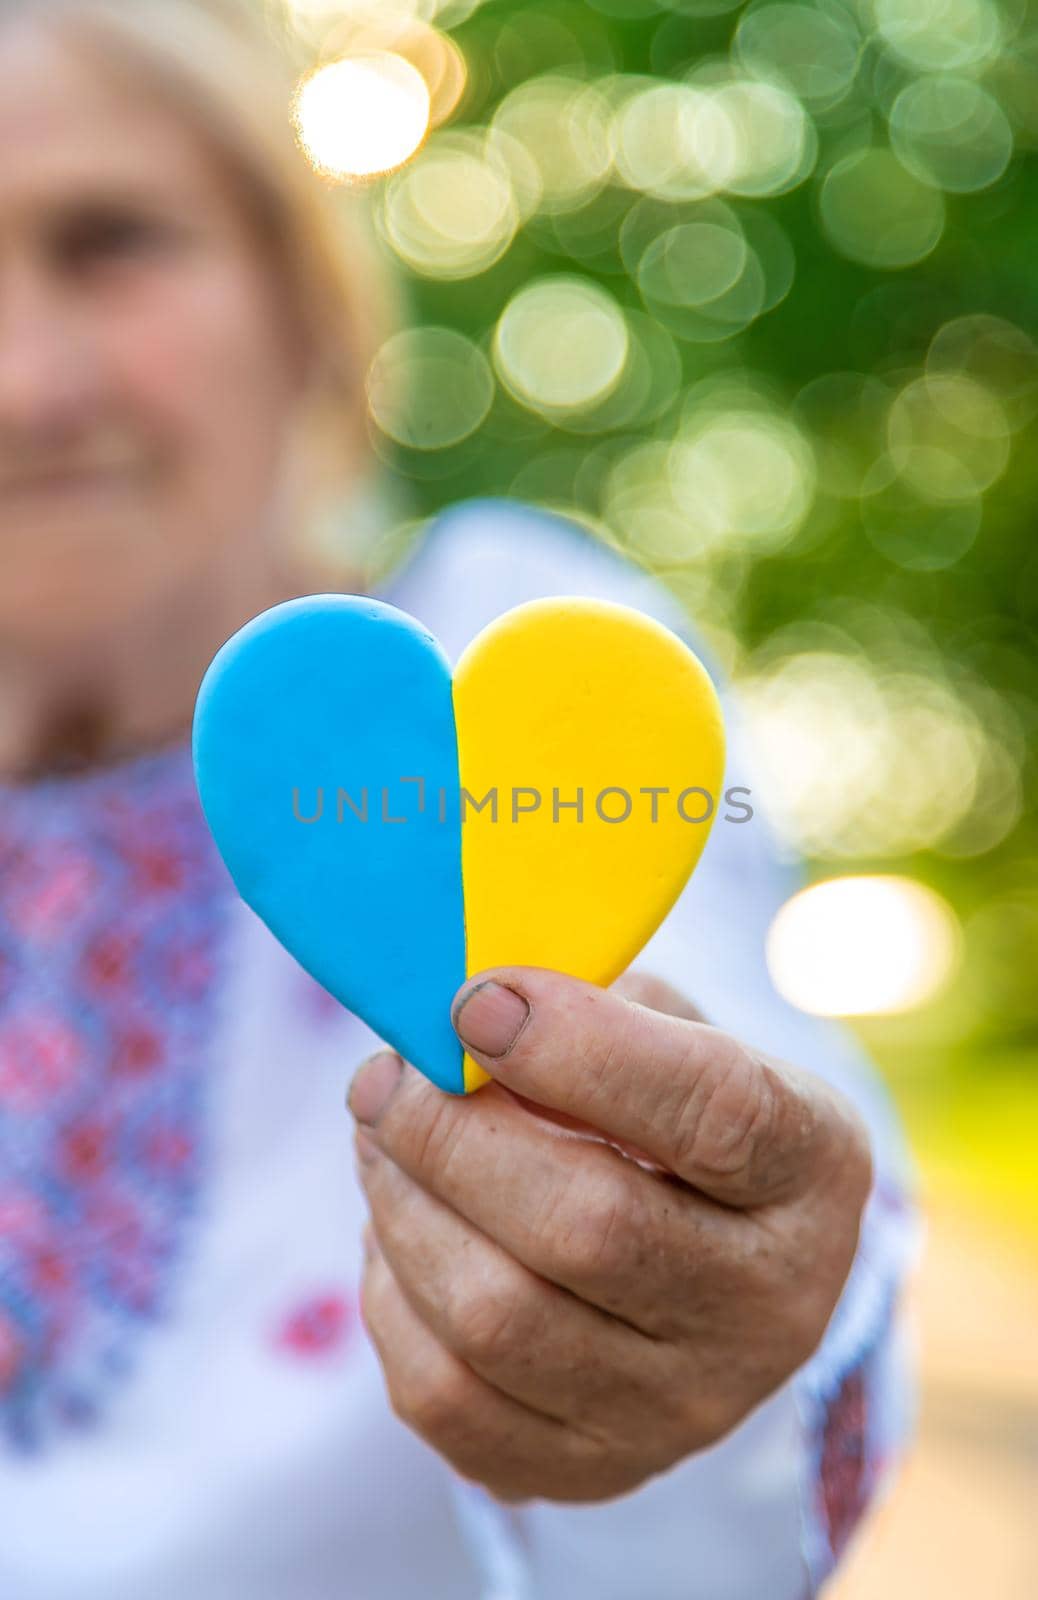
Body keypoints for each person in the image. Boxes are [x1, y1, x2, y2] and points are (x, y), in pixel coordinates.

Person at [0, 2, 918, 1596]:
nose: (23, 383)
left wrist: (719, 1329)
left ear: (306, 306)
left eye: (109, 241)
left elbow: (766, 1160)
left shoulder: (514, 658)